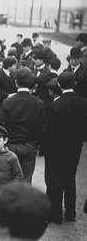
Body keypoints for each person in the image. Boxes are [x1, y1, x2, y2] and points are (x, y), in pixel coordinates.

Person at [43, 72, 87, 224]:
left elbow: (50, 131)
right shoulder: (83, 103)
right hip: (75, 147)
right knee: (70, 178)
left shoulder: (56, 104)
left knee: (55, 180)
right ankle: (70, 213)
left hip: (57, 148)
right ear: (74, 84)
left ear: (59, 85)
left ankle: (55, 215)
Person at [0, 68, 46, 184]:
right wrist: (35, 143)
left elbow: (0, 125)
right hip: (29, 146)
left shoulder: (7, 102)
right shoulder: (38, 103)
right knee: (26, 180)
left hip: (10, 145)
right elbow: (43, 128)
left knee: (9, 179)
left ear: (16, 82)